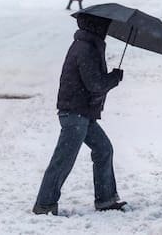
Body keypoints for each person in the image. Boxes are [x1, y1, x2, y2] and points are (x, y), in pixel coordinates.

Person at [33, 13, 126, 216]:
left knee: (104, 149)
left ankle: (106, 199)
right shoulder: (86, 49)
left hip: (82, 113)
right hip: (74, 114)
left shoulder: (89, 45)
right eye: (105, 27)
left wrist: (110, 78)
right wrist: (114, 78)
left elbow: (92, 82)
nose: (107, 32)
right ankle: (44, 204)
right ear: (97, 27)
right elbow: (95, 84)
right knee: (63, 159)